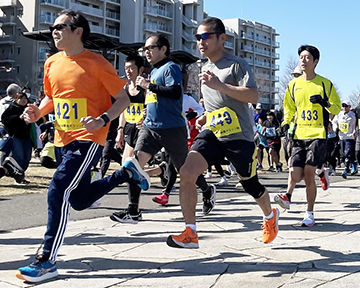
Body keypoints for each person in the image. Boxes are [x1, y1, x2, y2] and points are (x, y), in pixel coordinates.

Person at [16, 10, 150, 283]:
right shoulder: (51, 63)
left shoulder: (97, 63)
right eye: (52, 26)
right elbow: (52, 98)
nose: (54, 31)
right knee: (77, 200)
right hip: (62, 139)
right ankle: (126, 173)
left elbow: (123, 99)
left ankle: (47, 260)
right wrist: (37, 113)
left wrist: (102, 119)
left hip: (89, 138)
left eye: (60, 27)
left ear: (78, 31)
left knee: (57, 190)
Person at [167, 17, 280, 249]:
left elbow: (252, 96)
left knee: (251, 186)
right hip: (213, 132)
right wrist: (206, 116)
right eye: (198, 37)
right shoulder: (203, 66)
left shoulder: (236, 65)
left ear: (222, 38)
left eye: (206, 36)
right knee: (187, 171)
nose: (200, 41)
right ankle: (190, 232)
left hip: (239, 136)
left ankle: (270, 216)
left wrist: (220, 85)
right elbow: (216, 104)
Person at [274, 45, 341, 226]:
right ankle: (289, 196)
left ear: (315, 62)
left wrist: (324, 102)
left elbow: (336, 107)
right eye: (301, 57)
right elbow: (288, 108)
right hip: (298, 134)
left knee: (309, 174)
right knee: (295, 174)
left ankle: (309, 212)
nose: (303, 61)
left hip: (317, 134)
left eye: (307, 58)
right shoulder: (293, 85)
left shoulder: (325, 84)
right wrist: (286, 123)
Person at [1, 92, 33, 184]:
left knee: (27, 158)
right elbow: (5, 120)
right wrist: (19, 117)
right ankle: (18, 178)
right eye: (21, 98)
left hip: (27, 138)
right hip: (16, 137)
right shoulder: (12, 108)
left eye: (25, 99)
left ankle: (19, 176)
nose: (23, 101)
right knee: (18, 157)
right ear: (16, 99)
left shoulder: (30, 109)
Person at [332, 100, 356, 179]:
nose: (344, 108)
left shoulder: (352, 115)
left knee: (347, 153)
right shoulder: (339, 114)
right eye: (343, 106)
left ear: (350, 107)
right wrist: (336, 128)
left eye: (346, 106)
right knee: (343, 154)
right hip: (341, 137)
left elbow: (355, 125)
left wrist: (355, 132)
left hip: (350, 137)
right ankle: (353, 164)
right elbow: (334, 122)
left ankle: (346, 169)